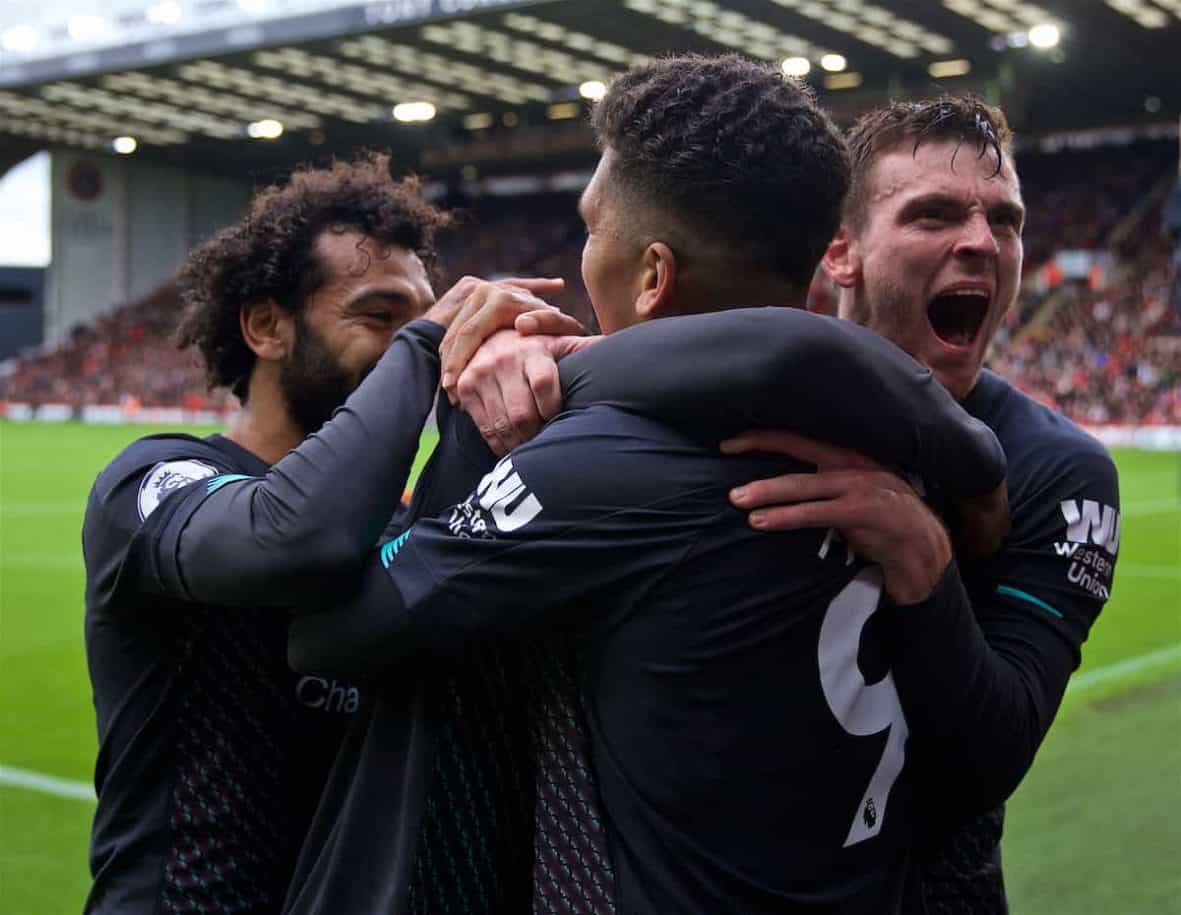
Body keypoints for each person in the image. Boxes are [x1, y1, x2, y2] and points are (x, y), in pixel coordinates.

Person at [284, 58, 1010, 914]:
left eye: (592, 230)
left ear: (653, 274)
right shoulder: (884, 431)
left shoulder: (600, 467)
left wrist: (470, 431)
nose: (584, 253)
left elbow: (329, 634)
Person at [520, 97, 1118, 914]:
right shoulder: (719, 400)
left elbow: (989, 761)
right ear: (839, 252)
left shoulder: (1058, 469)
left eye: (1004, 221)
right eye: (933, 214)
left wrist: (923, 562)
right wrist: (509, 355)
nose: (981, 242)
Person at [80, 153, 581, 914]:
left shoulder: (404, 520)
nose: (414, 340)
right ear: (265, 326)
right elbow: (290, 540)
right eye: (379, 316)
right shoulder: (150, 480)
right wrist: (420, 349)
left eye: (422, 317)